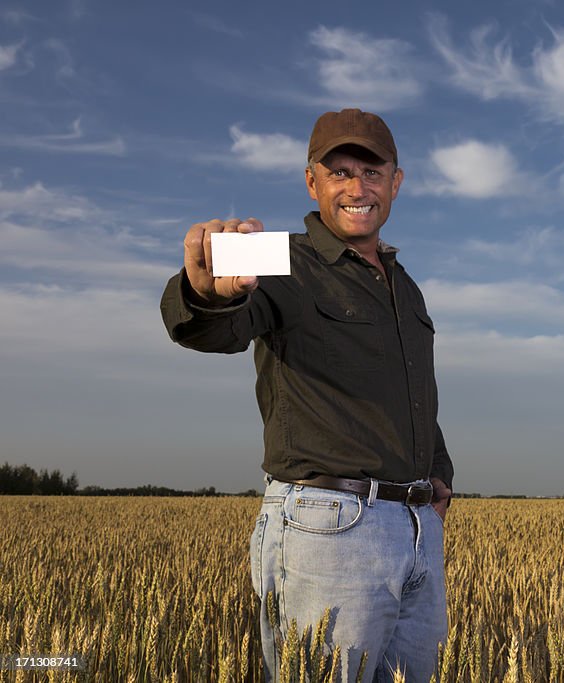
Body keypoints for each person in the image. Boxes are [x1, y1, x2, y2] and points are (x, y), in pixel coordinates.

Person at [159, 108, 453, 682]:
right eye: (339, 172)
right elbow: (208, 320)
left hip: (416, 530)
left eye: (372, 172)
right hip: (331, 529)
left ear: (396, 181)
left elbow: (415, 394)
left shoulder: (405, 286)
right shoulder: (278, 257)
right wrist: (205, 292)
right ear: (312, 182)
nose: (356, 188)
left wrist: (437, 474)